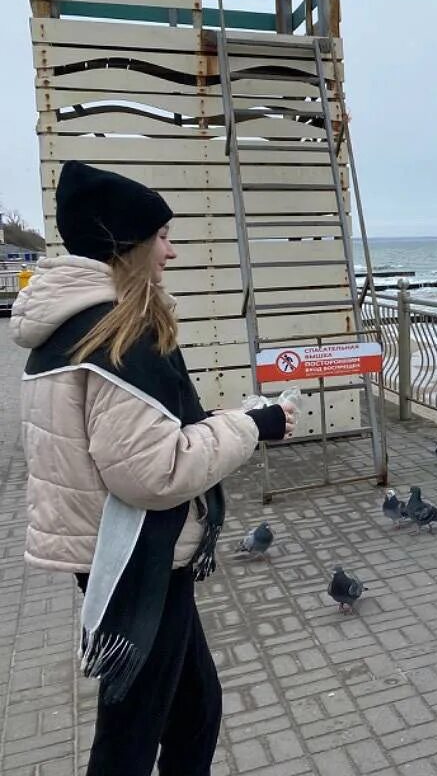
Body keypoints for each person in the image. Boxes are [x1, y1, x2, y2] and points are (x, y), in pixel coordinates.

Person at [9, 160, 297, 776]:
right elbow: (151, 475)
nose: (172, 250)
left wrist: (211, 422)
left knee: (193, 708)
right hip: (134, 554)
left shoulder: (62, 325)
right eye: (162, 236)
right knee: (135, 729)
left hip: (108, 548)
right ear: (129, 246)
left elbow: (128, 437)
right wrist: (253, 425)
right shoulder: (121, 334)